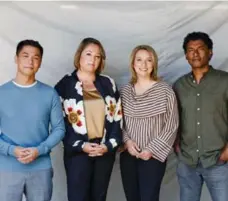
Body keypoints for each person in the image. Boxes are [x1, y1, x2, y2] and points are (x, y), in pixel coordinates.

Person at [55, 37, 122, 201]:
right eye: (89, 54)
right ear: (79, 56)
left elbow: (117, 117)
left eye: (98, 56)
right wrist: (81, 145)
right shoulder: (65, 85)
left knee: (99, 197)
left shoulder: (108, 84)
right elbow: (59, 123)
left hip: (103, 151)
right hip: (78, 153)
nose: (93, 60)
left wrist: (108, 145)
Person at [0, 39, 65, 201]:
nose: (30, 61)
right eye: (25, 55)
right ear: (16, 59)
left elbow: (59, 129)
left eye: (36, 57)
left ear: (40, 62)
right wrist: (10, 150)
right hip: (7, 168)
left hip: (40, 167)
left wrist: (40, 150)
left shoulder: (50, 93)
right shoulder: (2, 93)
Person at [173, 31, 228, 201]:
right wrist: (176, 145)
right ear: (186, 55)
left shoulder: (225, 81)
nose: (195, 53)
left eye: (200, 49)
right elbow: (172, 119)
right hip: (187, 161)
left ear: (210, 52)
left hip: (218, 160)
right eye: (190, 50)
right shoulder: (179, 85)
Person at [120, 45, 179, 201]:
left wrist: (151, 149)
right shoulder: (125, 91)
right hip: (128, 155)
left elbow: (172, 125)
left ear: (154, 64)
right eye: (139, 60)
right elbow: (117, 122)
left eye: (148, 60)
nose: (143, 65)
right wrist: (127, 142)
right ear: (133, 63)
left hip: (153, 157)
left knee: (149, 198)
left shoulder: (165, 90)